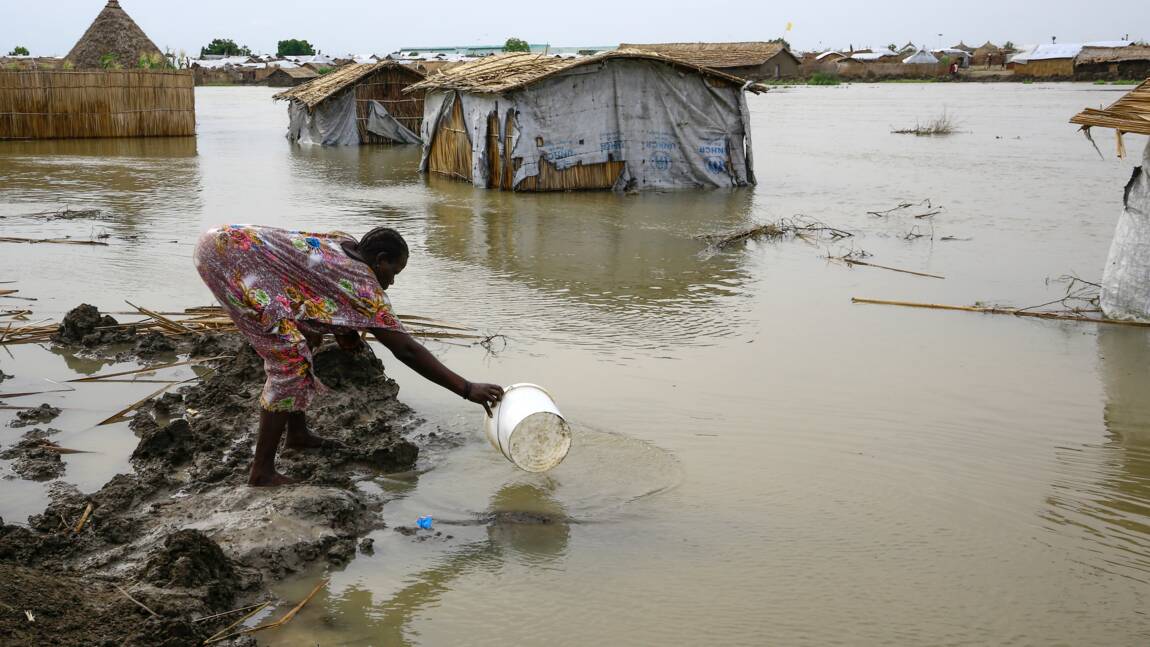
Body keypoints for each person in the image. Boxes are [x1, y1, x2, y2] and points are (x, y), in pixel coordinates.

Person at [194, 224, 504, 486]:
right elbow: (406, 350)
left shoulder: (345, 244)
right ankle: (262, 473)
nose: (392, 282)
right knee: (289, 361)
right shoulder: (365, 287)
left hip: (225, 242)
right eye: (393, 272)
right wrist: (466, 388)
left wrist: (347, 330)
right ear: (380, 261)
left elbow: (323, 285)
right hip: (228, 260)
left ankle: (298, 435)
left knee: (306, 339)